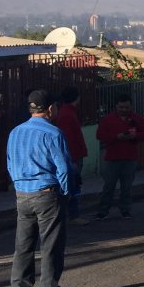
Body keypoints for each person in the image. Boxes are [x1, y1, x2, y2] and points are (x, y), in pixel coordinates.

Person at [7, 90, 75, 287]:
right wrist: (67, 193)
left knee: (23, 246)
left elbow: (10, 164)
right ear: (51, 109)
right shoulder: (54, 133)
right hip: (47, 193)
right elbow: (63, 168)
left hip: (22, 194)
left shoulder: (15, 132)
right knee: (51, 246)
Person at [95, 94, 144, 220]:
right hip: (112, 158)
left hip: (130, 158)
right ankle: (103, 210)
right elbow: (100, 135)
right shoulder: (108, 119)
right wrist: (116, 137)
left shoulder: (137, 119)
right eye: (121, 107)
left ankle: (125, 210)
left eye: (126, 107)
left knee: (127, 187)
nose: (124, 110)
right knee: (109, 186)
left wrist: (135, 136)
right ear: (116, 106)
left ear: (131, 106)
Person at [54, 85, 88, 226]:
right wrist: (72, 158)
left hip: (73, 155)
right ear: (77, 97)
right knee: (72, 187)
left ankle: (71, 214)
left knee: (73, 186)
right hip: (72, 157)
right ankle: (72, 215)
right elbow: (68, 139)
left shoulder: (67, 112)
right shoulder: (67, 114)